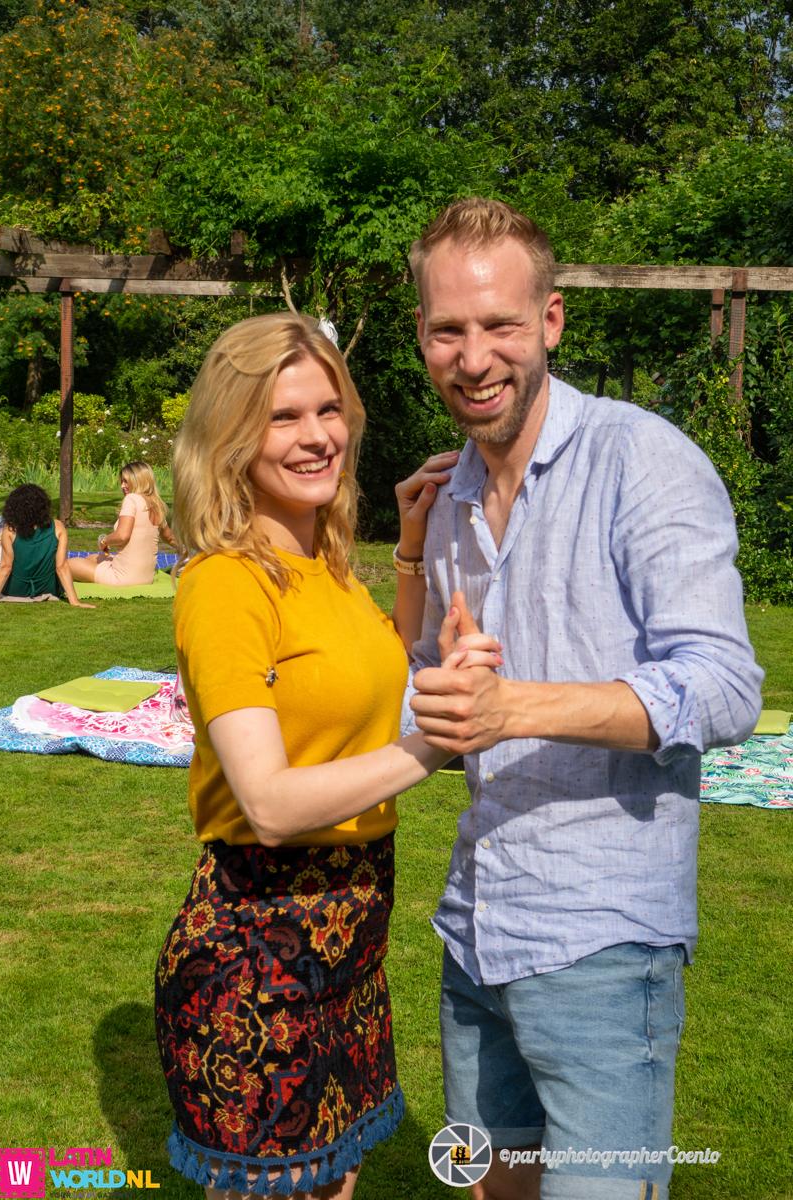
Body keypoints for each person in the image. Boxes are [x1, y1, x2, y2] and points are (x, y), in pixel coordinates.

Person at [404, 198, 764, 1200]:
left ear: (550, 321)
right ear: (421, 336)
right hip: (477, 924)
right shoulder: (451, 498)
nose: (474, 358)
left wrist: (514, 709)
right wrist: (407, 567)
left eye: (500, 325)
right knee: (489, 1185)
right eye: (448, 330)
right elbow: (431, 692)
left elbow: (724, 685)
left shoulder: (640, 460)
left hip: (600, 939)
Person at [154, 313, 499, 1200]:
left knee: (334, 1184)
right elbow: (268, 803)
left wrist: (411, 551)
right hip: (255, 955)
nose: (317, 437)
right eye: (283, 417)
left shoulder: (327, 564)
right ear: (231, 437)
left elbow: (370, 673)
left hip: (350, 946)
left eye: (328, 409)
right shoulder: (226, 583)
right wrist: (435, 745)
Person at [68, 460, 175, 585]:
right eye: (121, 481)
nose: (122, 486)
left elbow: (122, 536)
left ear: (138, 481)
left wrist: (104, 541)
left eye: (126, 481)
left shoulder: (131, 499)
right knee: (92, 558)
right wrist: (188, 552)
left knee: (66, 565)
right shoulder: (156, 505)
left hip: (122, 578)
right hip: (146, 578)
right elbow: (170, 538)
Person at [0, 483, 93, 607]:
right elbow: (61, 566)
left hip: (16, 590)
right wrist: (74, 601)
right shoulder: (58, 527)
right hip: (48, 588)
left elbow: (5, 567)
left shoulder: (10, 530)